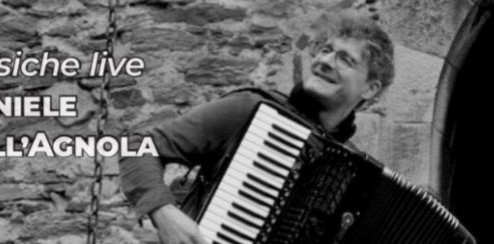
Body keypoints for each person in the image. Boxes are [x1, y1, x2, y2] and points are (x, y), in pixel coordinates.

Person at [119, 14, 395, 244]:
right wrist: (163, 213)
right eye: (325, 50)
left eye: (345, 59)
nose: (325, 61)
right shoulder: (249, 110)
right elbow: (137, 146)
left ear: (370, 88)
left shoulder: (355, 176)